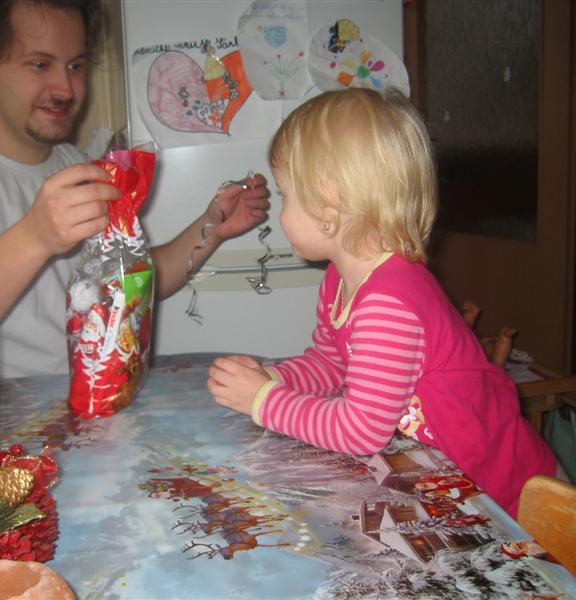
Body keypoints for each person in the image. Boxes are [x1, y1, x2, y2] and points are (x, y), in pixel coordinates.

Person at [206, 87, 557, 518]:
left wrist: (264, 401)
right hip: (442, 476)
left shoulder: (388, 303)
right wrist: (274, 378)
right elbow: (332, 364)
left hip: (506, 492)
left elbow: (360, 431)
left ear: (328, 202)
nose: (280, 213)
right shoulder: (340, 280)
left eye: (285, 195)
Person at [0, 0, 269, 379]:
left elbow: (132, 281)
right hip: (9, 415)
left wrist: (210, 229)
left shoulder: (77, 165)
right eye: (40, 64)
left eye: (75, 66)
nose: (65, 88)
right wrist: (35, 237)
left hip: (103, 391)